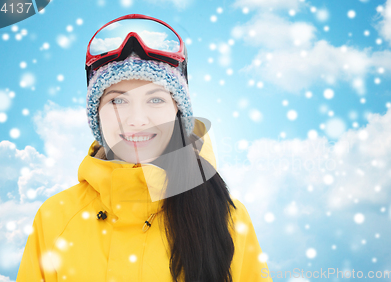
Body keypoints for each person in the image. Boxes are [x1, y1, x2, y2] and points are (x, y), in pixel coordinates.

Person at [17, 14, 272, 282]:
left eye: (155, 100)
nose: (137, 120)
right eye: (117, 102)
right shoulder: (55, 217)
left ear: (177, 111)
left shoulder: (228, 218)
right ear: (96, 115)